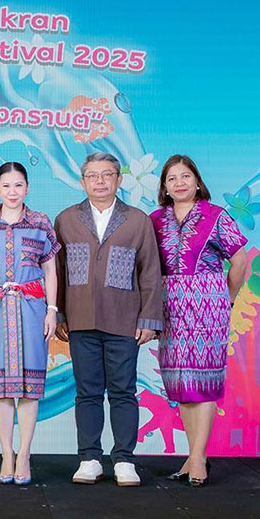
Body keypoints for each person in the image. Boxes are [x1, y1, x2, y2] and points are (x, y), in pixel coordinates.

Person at [54, 152, 163, 487]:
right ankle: (89, 458)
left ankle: (124, 460)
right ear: (82, 181)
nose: (99, 181)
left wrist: (149, 318)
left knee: (123, 391)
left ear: (119, 179)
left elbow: (150, 272)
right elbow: (57, 271)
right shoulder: (66, 220)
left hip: (124, 321)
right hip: (80, 321)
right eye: (92, 175)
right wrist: (59, 313)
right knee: (87, 392)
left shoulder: (137, 221)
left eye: (107, 175)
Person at [150, 155, 248, 487]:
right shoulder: (155, 220)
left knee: (203, 384)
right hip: (169, 308)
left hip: (208, 308)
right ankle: (194, 456)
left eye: (185, 176)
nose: (179, 183)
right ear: (164, 187)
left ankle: (197, 461)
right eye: (172, 178)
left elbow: (239, 261)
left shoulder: (216, 215)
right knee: (181, 384)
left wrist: (227, 297)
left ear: (197, 181)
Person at [0, 162, 60, 486]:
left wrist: (51, 310)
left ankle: (25, 454)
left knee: (30, 388)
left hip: (32, 308)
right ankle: (6, 453)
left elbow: (50, 270)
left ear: (27, 187)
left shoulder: (40, 222)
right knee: (1, 388)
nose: (12, 192)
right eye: (6, 186)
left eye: (18, 185)